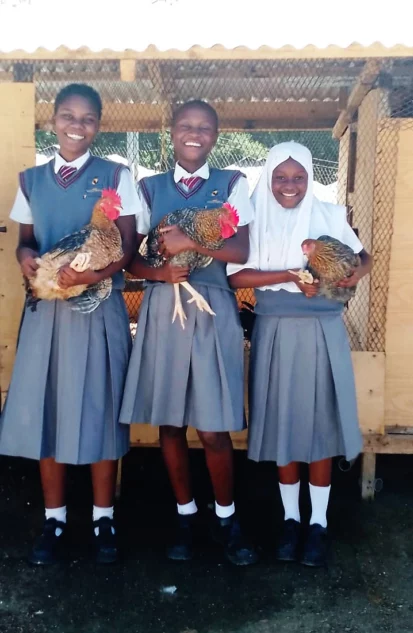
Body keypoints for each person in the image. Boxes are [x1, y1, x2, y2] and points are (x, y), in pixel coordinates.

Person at [0, 83, 137, 565]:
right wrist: (26, 259)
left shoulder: (116, 176)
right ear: (52, 120)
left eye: (88, 118)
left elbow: (128, 248)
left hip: (97, 312)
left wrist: (91, 275)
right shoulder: (32, 181)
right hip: (46, 314)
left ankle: (104, 518)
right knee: (47, 412)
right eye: (67, 115)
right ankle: (53, 521)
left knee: (99, 412)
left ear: (99, 124)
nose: (76, 125)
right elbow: (26, 240)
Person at [120, 100, 258, 566]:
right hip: (165, 309)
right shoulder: (149, 188)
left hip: (215, 309)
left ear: (215, 136)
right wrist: (156, 275)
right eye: (185, 126)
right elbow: (128, 258)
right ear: (172, 133)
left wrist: (192, 242)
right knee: (171, 423)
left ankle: (226, 518)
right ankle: (184, 515)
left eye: (204, 128)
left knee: (215, 427)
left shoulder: (233, 185)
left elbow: (240, 249)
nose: (193, 134)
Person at [228, 141, 372, 567]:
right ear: (267, 177)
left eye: (298, 177)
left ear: (309, 179)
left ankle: (319, 524)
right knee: (285, 426)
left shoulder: (328, 215)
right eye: (280, 177)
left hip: (323, 327)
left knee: (320, 427)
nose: (289, 185)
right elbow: (238, 278)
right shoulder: (254, 219)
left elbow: (362, 257)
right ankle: (291, 520)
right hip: (275, 328)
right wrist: (291, 275)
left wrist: (350, 277)